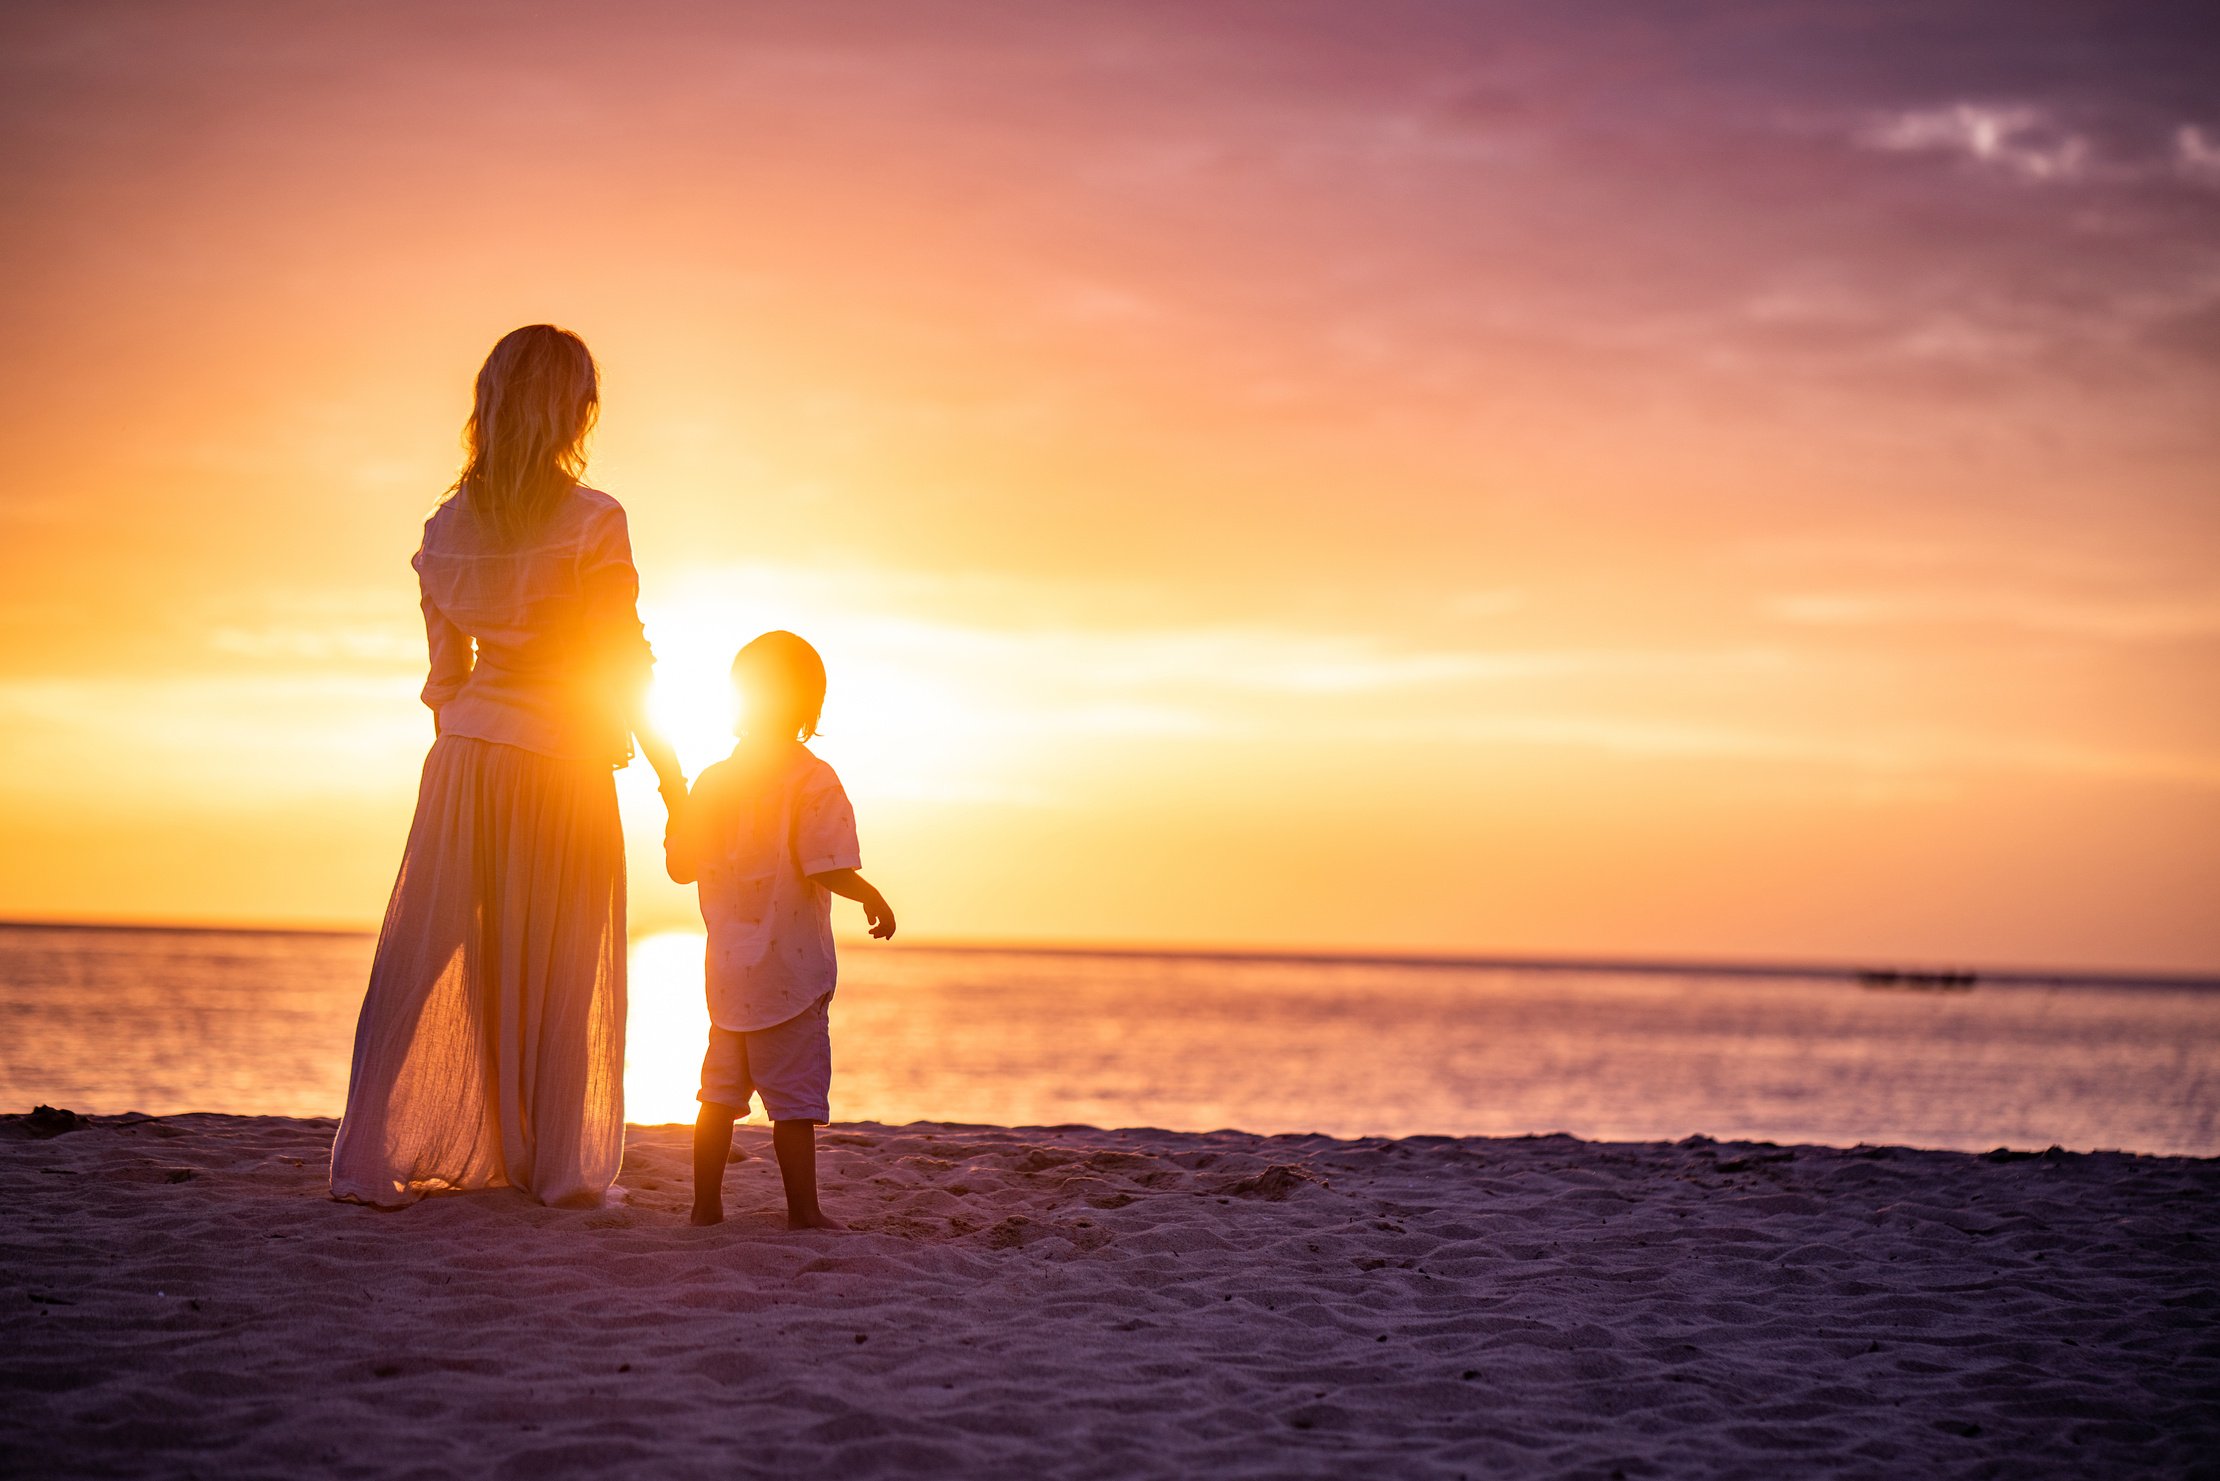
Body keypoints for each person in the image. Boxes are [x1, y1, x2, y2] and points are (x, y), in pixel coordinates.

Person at [330, 324, 685, 1209]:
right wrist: (673, 782)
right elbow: (622, 661)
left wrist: (479, 738)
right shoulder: (594, 519)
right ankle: (554, 1167)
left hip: (465, 760)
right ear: (573, 410)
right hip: (561, 761)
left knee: (422, 950)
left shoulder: (443, 529)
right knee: (564, 959)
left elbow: (446, 679)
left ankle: (362, 1158)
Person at [664, 630, 895, 1229]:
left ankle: (705, 1205)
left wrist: (674, 803)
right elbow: (828, 863)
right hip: (789, 973)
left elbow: (679, 867)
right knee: (792, 1106)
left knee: (717, 1099)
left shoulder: (713, 781)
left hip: (727, 975)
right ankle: (803, 1211)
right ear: (809, 706)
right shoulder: (811, 778)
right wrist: (870, 894)